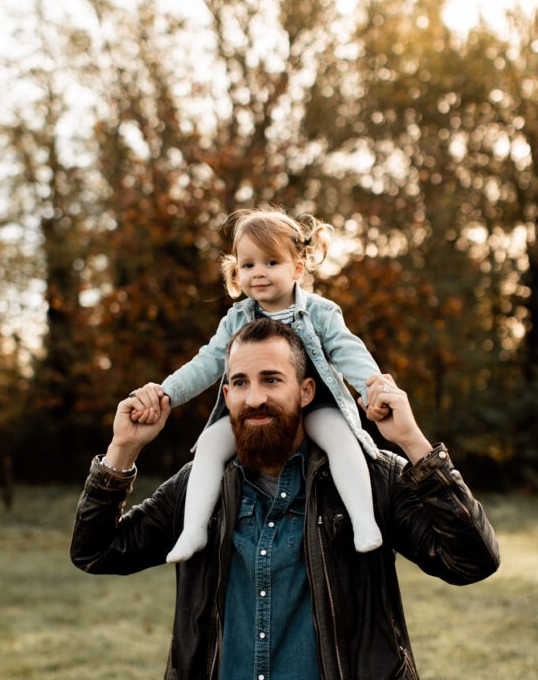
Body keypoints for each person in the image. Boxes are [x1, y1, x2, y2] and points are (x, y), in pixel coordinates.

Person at [70, 318, 500, 680]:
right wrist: (122, 450)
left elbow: (472, 560)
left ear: (306, 389)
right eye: (240, 383)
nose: (254, 398)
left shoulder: (366, 478)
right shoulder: (199, 485)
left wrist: (412, 443)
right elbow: (97, 551)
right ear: (224, 392)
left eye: (271, 380)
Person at [129, 207, 388, 563]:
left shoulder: (320, 312)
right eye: (248, 265)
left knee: (341, 439)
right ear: (236, 271)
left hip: (316, 404)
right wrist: (167, 393)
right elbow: (206, 363)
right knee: (208, 444)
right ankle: (193, 530)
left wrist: (372, 386)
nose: (258, 273)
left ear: (297, 268)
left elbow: (348, 352)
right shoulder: (236, 318)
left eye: (271, 262)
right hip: (256, 408)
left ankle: (363, 521)